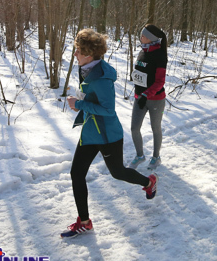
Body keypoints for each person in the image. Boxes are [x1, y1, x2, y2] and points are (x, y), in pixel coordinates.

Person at [61, 28, 158, 238]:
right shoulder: (88, 68)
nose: (74, 54)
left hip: (107, 135)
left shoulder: (100, 78)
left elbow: (108, 110)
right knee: (76, 174)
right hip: (90, 133)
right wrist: (82, 105)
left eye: (78, 51)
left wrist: (79, 103)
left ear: (88, 54)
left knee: (118, 173)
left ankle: (149, 182)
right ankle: (85, 222)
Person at [129, 24, 168, 169]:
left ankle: (156, 157)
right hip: (140, 98)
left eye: (143, 36)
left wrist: (146, 94)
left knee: (155, 128)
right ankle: (140, 156)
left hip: (156, 100)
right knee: (134, 128)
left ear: (150, 38)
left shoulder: (160, 55)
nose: (140, 38)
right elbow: (141, 73)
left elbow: (159, 81)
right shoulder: (142, 51)